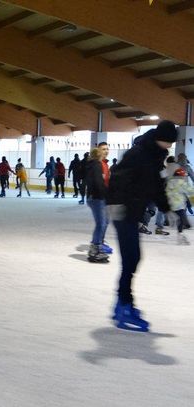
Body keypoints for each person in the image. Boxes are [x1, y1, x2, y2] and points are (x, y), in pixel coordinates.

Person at [107, 120, 178, 332]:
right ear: (161, 138)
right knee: (131, 259)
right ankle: (124, 306)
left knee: (133, 259)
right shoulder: (138, 153)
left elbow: (156, 187)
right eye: (170, 142)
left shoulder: (154, 156)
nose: (171, 146)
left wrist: (167, 209)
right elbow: (117, 179)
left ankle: (122, 303)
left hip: (132, 211)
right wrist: (116, 204)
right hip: (123, 211)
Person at [86, 147, 111, 263]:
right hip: (97, 198)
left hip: (97, 197)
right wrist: (105, 194)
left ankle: (98, 246)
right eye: (103, 151)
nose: (105, 152)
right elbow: (98, 182)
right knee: (101, 223)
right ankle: (95, 249)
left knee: (104, 222)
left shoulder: (95, 165)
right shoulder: (96, 165)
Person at [166, 167, 194, 245]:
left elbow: (167, 192)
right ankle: (181, 233)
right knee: (183, 220)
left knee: (180, 219)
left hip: (170, 204)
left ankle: (180, 234)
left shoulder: (170, 182)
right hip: (179, 205)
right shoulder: (182, 183)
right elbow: (191, 192)